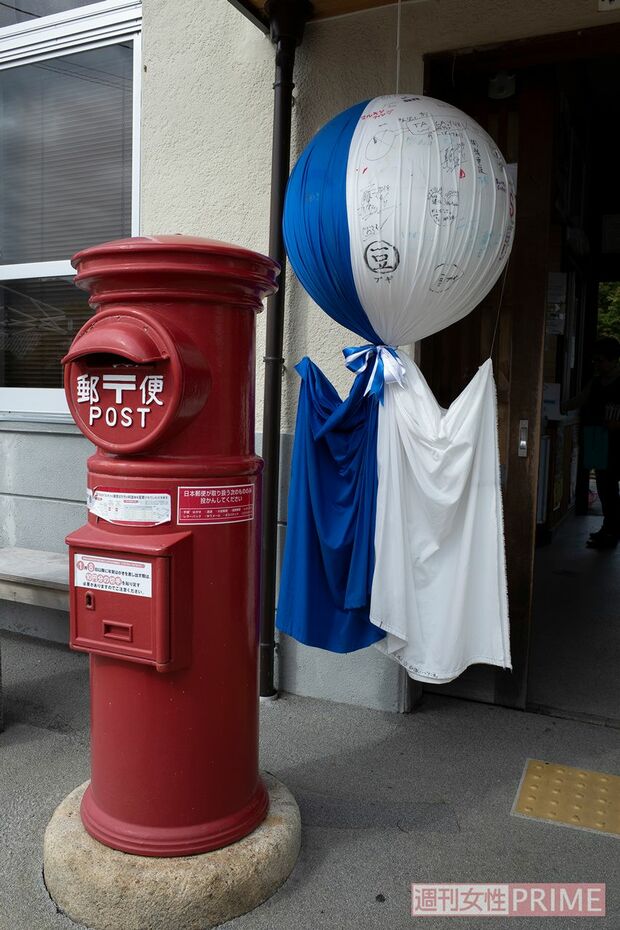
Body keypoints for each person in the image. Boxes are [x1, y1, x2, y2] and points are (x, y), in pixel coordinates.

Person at [564, 336, 620, 549]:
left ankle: (612, 530)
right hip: (598, 440)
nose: (597, 364)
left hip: (615, 444)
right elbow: (578, 400)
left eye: (601, 360)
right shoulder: (596, 382)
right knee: (606, 487)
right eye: (595, 360)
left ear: (613, 360)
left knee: (610, 488)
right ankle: (609, 528)